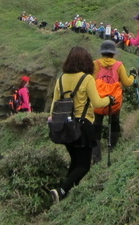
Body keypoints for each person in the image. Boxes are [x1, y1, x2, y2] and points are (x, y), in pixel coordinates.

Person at [47, 46, 112, 203]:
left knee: (76, 161)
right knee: (84, 165)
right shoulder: (87, 79)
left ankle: (65, 195)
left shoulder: (61, 79)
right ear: (86, 62)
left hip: (65, 128)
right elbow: (97, 103)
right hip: (83, 126)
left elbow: (54, 105)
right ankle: (61, 191)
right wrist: (110, 100)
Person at [92, 40, 135, 151]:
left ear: (102, 52)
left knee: (97, 123)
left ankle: (96, 152)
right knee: (114, 122)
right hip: (114, 101)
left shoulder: (95, 64)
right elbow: (126, 83)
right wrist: (132, 77)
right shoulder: (119, 65)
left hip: (98, 100)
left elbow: (90, 81)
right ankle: (112, 147)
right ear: (113, 53)